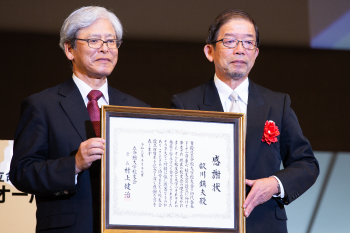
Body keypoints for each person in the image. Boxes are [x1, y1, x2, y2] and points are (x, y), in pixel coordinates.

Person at [171, 9, 319, 233]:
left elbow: (306, 163)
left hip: (264, 224)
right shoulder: (185, 104)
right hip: (204, 226)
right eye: (230, 41)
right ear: (209, 51)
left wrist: (274, 184)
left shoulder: (277, 104)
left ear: (256, 53)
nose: (240, 50)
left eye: (248, 43)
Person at [10, 6, 149, 233]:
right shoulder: (42, 105)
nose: (105, 49)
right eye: (94, 41)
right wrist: (73, 165)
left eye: (111, 41)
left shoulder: (138, 109)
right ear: (69, 49)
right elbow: (21, 172)